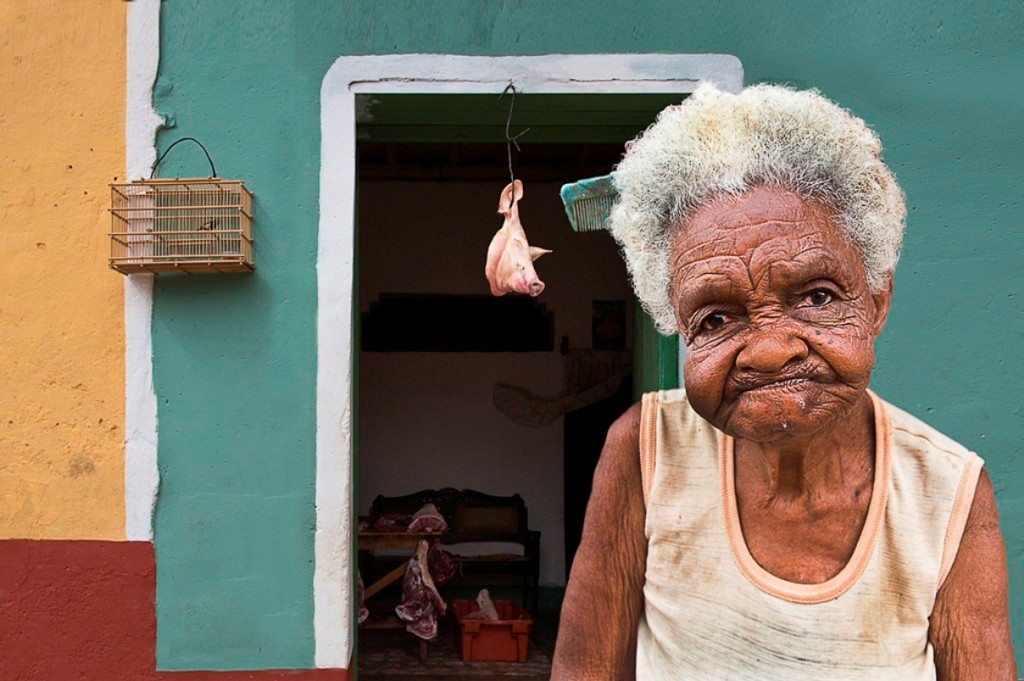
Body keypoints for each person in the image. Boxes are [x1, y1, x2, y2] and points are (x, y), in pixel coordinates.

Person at [551, 84, 1017, 680]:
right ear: (678, 329)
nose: (770, 352)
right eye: (715, 318)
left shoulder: (947, 493)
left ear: (876, 303)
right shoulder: (646, 452)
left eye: (817, 296)